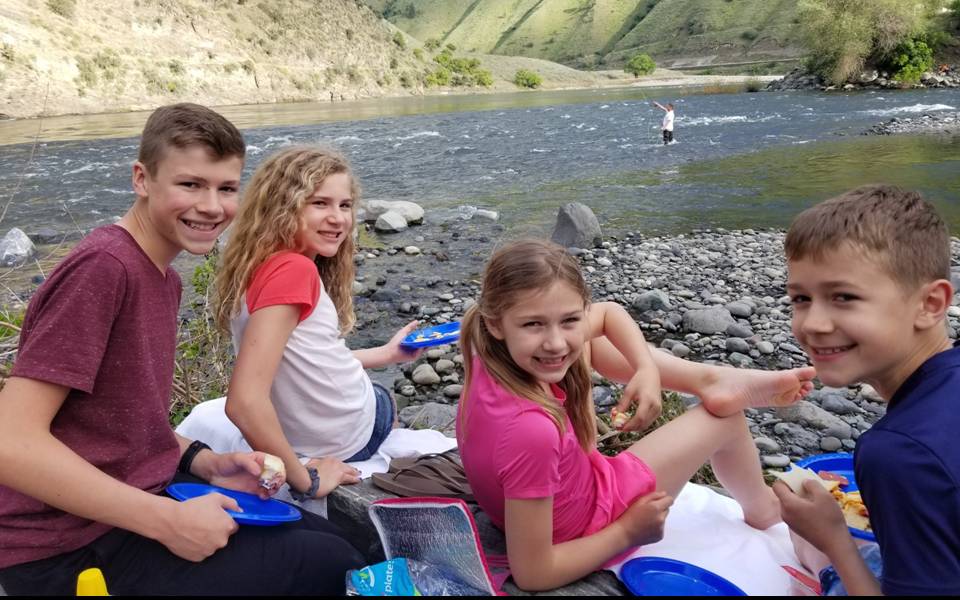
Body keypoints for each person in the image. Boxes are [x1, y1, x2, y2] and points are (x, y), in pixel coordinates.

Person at [0, 104, 365, 595]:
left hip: (127, 508)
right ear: (142, 179)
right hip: (64, 549)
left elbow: (120, 422)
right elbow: (11, 442)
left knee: (334, 540)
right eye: (190, 184)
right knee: (333, 563)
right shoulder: (104, 269)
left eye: (226, 188)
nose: (211, 207)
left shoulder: (162, 278)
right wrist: (166, 521)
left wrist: (205, 462)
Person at [455, 238, 817, 591]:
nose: (555, 341)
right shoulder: (532, 431)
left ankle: (708, 379)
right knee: (727, 420)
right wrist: (628, 531)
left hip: (552, 496)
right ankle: (763, 508)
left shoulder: (484, 344)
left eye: (569, 319)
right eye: (533, 324)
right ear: (495, 323)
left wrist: (646, 368)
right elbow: (534, 574)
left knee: (586, 343)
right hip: (592, 522)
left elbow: (607, 313)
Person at [774, 185, 960, 596]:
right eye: (801, 298)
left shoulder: (900, 454)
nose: (813, 324)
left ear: (931, 304)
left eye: (844, 297)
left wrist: (834, 542)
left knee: (815, 546)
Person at [213, 146, 420, 502]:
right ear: (283, 206)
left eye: (345, 205)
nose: (338, 219)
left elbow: (312, 360)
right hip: (343, 438)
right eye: (320, 203)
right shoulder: (295, 270)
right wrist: (306, 480)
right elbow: (244, 402)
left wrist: (387, 354)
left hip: (302, 432)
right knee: (384, 398)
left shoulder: (251, 267)